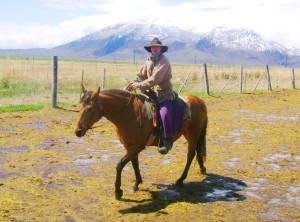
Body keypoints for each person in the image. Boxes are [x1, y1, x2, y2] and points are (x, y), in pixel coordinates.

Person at [127, 37, 183, 154]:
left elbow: (155, 79)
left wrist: (139, 85)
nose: (155, 49)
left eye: (157, 47)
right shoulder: (148, 60)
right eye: (153, 47)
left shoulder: (164, 62)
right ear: (150, 49)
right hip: (150, 92)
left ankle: (167, 140)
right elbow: (141, 75)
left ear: (161, 49)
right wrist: (132, 83)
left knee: (164, 113)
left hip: (164, 93)